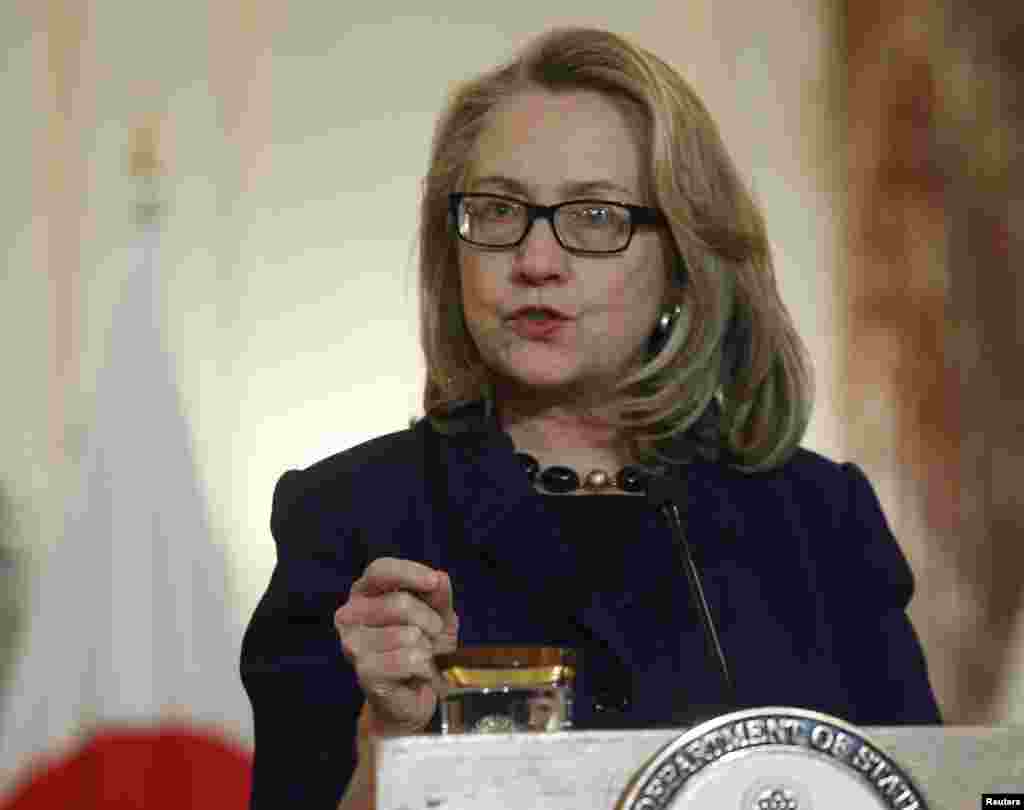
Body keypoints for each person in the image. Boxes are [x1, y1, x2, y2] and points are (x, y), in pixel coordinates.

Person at [239, 26, 941, 810]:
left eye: (597, 216)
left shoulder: (821, 520)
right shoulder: (348, 519)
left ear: (682, 258)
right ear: (454, 250)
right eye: (500, 211)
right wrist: (389, 741)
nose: (537, 260)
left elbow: (923, 791)